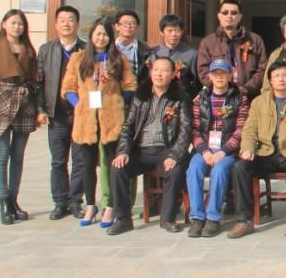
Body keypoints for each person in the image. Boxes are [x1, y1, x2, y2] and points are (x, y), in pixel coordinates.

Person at [61, 17, 137, 228]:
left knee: (111, 164)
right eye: (98, 34)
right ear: (91, 36)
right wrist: (78, 104)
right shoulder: (78, 58)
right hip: (86, 118)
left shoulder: (117, 59)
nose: (101, 38)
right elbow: (68, 87)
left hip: (111, 119)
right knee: (86, 165)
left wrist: (118, 101)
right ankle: (90, 204)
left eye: (105, 34)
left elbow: (130, 85)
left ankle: (110, 205)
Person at [228, 60, 286, 240]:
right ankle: (244, 221)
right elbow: (249, 130)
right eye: (276, 76)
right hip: (265, 152)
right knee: (239, 167)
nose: (281, 79)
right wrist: (247, 149)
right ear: (270, 80)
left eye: (284, 75)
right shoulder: (259, 102)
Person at [106, 56, 192, 235]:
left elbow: (185, 131)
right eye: (156, 70)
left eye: (164, 70)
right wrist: (123, 151)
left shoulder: (181, 98)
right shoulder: (141, 96)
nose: (159, 74)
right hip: (141, 150)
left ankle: (167, 218)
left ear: (173, 74)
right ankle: (123, 219)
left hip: (166, 150)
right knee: (117, 168)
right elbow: (128, 127)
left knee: (175, 170)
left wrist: (174, 155)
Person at [0, 9, 45, 225]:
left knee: (18, 155)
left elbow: (36, 82)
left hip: (25, 105)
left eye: (21, 24)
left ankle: (14, 200)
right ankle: (4, 202)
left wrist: (39, 110)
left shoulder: (29, 49)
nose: (17, 27)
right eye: (13, 23)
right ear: (4, 25)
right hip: (1, 104)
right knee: (2, 155)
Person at [186, 58, 250, 238]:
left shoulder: (240, 98)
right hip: (205, 148)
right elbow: (194, 129)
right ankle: (197, 216)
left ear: (230, 75)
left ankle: (213, 217)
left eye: (223, 73)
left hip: (228, 150)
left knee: (220, 170)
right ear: (210, 76)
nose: (219, 77)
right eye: (216, 74)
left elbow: (241, 129)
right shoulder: (200, 99)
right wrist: (204, 151)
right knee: (193, 169)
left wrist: (224, 151)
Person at [37, 5, 86, 220]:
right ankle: (60, 202)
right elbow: (39, 83)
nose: (67, 23)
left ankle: (75, 201)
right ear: (56, 24)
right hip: (56, 115)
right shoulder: (46, 50)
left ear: (78, 24)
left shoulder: (86, 49)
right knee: (58, 161)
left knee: (80, 160)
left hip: (81, 115)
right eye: (62, 20)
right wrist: (41, 109)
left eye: (71, 19)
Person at [198, 0, 268, 97]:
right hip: (219, 97)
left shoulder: (255, 40)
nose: (229, 16)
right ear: (219, 16)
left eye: (234, 13)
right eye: (225, 12)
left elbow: (262, 70)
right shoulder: (207, 42)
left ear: (240, 17)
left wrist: (244, 90)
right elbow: (203, 72)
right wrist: (222, 89)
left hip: (249, 97)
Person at [149, 13, 200, 101]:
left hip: (181, 99)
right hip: (156, 99)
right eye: (169, 31)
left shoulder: (192, 54)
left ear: (182, 32)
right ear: (161, 32)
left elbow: (196, 81)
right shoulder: (153, 53)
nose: (174, 34)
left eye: (177, 31)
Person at [113, 10, 151, 83]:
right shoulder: (109, 48)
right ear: (117, 26)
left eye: (132, 23)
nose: (128, 26)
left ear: (137, 27)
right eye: (125, 23)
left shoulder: (146, 50)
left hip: (136, 88)